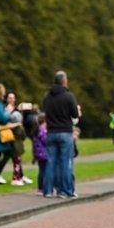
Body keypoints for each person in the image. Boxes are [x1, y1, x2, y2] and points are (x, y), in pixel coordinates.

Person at [43, 71, 80, 199]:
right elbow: (75, 114)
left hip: (51, 132)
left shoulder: (47, 97)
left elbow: (46, 112)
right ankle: (65, 190)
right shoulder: (69, 96)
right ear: (64, 81)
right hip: (65, 131)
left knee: (50, 162)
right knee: (65, 162)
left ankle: (47, 190)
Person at [5, 92, 32, 186]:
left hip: (18, 135)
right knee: (16, 158)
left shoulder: (16, 110)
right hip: (12, 136)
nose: (12, 99)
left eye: (13, 98)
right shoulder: (7, 109)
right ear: (7, 99)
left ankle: (20, 176)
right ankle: (16, 178)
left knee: (18, 158)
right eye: (10, 98)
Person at [32, 113, 48, 195]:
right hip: (44, 153)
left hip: (39, 153)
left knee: (41, 170)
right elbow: (45, 141)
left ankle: (40, 188)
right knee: (44, 171)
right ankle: (43, 188)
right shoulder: (43, 130)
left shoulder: (37, 129)